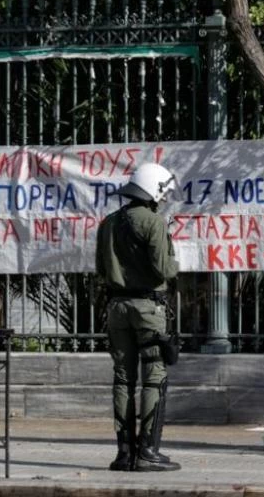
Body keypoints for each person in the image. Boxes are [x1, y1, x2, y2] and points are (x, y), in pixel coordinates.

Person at [96, 162, 181, 472]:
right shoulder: (154, 222)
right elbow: (164, 269)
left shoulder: (107, 223)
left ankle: (123, 453)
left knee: (122, 378)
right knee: (154, 377)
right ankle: (147, 451)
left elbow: (102, 269)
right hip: (148, 309)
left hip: (116, 309)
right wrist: (174, 263)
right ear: (154, 191)